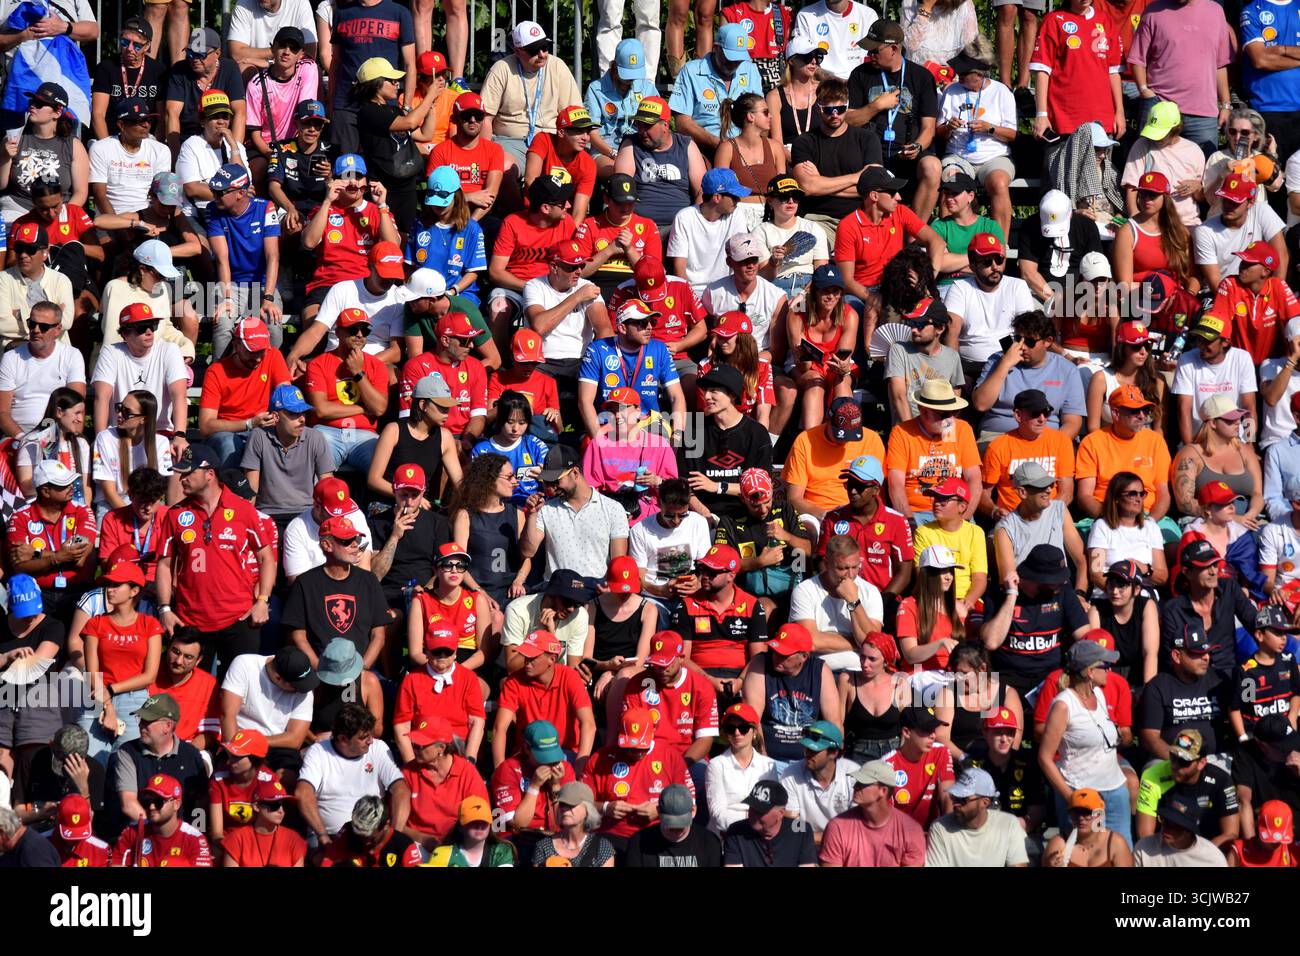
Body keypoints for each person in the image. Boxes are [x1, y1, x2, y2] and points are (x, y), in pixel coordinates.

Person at [154, 445, 274, 672]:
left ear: (210, 474)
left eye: (188, 473)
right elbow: (165, 564)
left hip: (239, 618)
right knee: (189, 688)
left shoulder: (243, 509)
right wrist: (165, 609)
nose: (182, 479)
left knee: (240, 690)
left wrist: (262, 601)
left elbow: (266, 558)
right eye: (181, 473)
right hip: (191, 620)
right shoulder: (175, 514)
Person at [1037, 639, 1132, 846]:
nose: (1109, 670)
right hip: (1082, 793)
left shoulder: (1099, 694)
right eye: (1105, 666)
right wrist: (1071, 797)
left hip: (1115, 791)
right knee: (1087, 854)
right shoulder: (1063, 705)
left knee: (1122, 852)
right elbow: (1044, 758)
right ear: (1090, 672)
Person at [846, 20, 943, 222]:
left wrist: (917, 146)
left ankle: (914, 234)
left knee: (932, 167)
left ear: (894, 49)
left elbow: (928, 128)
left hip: (907, 154)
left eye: (875, 50)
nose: (870, 55)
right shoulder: (859, 74)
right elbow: (850, 120)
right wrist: (876, 106)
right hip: (872, 154)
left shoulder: (921, 77)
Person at [836, 168, 955, 332]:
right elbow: (847, 280)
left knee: (930, 311)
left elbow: (937, 242)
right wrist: (872, 297)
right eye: (892, 193)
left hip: (896, 285)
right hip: (862, 291)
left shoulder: (900, 211)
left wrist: (926, 280)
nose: (898, 197)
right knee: (850, 308)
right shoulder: (847, 226)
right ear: (874, 196)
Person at [78, 559, 161, 762]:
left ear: (134, 591)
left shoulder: (150, 624)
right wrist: (108, 706)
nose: (109, 589)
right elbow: (91, 673)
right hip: (96, 698)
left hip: (134, 702)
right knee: (90, 765)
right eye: (108, 584)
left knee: (127, 766)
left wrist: (112, 689)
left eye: (116, 584)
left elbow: (150, 676)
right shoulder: (95, 623)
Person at [982, 544, 1092, 697]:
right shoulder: (998, 595)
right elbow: (991, 642)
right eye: (1055, 582)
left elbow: (1086, 636)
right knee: (979, 702)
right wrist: (1011, 596)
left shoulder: (1064, 592)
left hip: (1051, 676)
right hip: (1006, 676)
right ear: (1037, 579)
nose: (1060, 585)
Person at [1127, 0, 1233, 156]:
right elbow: (1137, 59)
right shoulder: (1153, 12)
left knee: (1203, 169)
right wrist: (1144, 90)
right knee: (1150, 167)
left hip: (1203, 114)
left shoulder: (1216, 11)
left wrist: (1225, 104)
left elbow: (1221, 64)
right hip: (1160, 106)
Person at [281, 516, 387, 669]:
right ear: (326, 545)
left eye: (356, 539)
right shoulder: (305, 583)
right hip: (319, 669)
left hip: (360, 668)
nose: (355, 544)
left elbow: (379, 634)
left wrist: (362, 668)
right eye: (346, 541)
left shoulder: (368, 580)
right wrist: (319, 668)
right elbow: (298, 635)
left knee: (371, 681)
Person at [296, 703, 409, 843]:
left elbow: (401, 790)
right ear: (343, 739)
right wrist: (323, 836)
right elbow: (303, 793)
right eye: (364, 737)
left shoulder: (378, 748)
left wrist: (393, 838)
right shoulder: (318, 752)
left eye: (371, 734)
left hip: (371, 836)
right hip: (329, 837)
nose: (371, 741)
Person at [972, 308, 1085, 445]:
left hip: (1046, 441)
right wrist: (1004, 365)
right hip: (998, 437)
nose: (1022, 347)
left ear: (1048, 341)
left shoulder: (1067, 369)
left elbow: (1072, 422)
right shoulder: (998, 360)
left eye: (1030, 342)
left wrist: (1053, 446)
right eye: (1018, 339)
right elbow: (981, 404)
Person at [518, 230, 612, 393]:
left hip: (580, 360)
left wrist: (599, 362)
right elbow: (540, 326)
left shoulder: (587, 286)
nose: (579, 271)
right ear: (554, 267)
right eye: (572, 266)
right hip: (543, 360)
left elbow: (605, 330)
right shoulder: (534, 286)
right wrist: (576, 297)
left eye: (582, 265)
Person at [204, 167, 284, 358]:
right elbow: (222, 259)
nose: (214, 196)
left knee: (272, 324)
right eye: (213, 191)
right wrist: (227, 298)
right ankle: (219, 372)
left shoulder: (265, 208)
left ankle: (270, 369)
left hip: (262, 284)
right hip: (230, 283)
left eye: (220, 192)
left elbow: (272, 256)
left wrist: (268, 298)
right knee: (223, 323)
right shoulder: (213, 209)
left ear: (240, 193)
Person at [480, 20, 581, 169]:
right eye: (534, 50)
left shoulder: (558, 66)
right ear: (518, 51)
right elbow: (485, 118)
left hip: (551, 140)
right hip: (511, 142)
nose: (542, 54)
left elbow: (575, 113)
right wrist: (484, 155)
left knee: (578, 168)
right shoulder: (501, 69)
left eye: (545, 47)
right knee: (504, 167)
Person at [491, 630, 597, 770]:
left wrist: (579, 768)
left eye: (532, 657)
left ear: (552, 659)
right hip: (528, 754)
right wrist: (500, 771)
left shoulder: (570, 677)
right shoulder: (514, 681)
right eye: (526, 656)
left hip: (564, 754)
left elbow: (589, 725)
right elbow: (499, 728)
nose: (527, 662)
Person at [742, 623, 841, 769]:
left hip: (808, 760)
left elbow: (834, 723)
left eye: (784, 654)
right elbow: (752, 719)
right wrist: (763, 760)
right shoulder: (760, 663)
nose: (776, 656)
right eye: (775, 650)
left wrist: (828, 763)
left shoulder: (819, 670)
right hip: (769, 758)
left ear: (804, 656)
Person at [6, 461, 96, 620]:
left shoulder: (83, 512)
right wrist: (59, 556)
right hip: (36, 593)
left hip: (76, 590)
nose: (71, 487)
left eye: (71, 482)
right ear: (46, 491)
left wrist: (36, 553)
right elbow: (20, 566)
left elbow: (78, 558)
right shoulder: (20, 517)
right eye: (63, 484)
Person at [303, 307, 389, 473]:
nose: (360, 335)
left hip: (365, 434)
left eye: (365, 330)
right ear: (338, 332)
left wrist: (358, 373)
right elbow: (322, 410)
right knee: (315, 469)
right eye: (353, 329)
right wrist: (363, 408)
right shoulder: (318, 363)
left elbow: (379, 408)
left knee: (383, 471)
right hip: (327, 432)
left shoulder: (377, 365)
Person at [1028, 0, 1124, 148]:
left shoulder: (1106, 20)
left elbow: (1114, 72)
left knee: (1100, 164)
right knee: (1064, 164)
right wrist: (1041, 114)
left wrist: (1120, 112)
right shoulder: (1054, 20)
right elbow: (1042, 70)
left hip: (1102, 121)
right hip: (1064, 120)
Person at [885, 379, 982, 526]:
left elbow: (974, 479)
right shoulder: (902, 433)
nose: (950, 419)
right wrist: (909, 522)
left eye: (953, 412)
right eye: (944, 414)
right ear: (923, 411)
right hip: (916, 512)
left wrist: (965, 519)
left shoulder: (962, 429)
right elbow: (895, 484)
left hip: (954, 511)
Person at [942, 232, 1036, 382]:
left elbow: (1028, 332)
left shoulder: (1017, 286)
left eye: (999, 259)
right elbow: (951, 334)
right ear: (972, 266)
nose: (995, 266)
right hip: (970, 368)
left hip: (1010, 364)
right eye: (987, 262)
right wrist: (956, 376)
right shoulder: (960, 288)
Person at [106, 694, 209, 830]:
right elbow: (129, 804)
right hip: (142, 832)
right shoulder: (128, 752)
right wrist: (161, 832)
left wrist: (196, 834)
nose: (141, 725)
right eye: (140, 719)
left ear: (168, 726)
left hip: (183, 835)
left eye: (147, 721)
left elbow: (201, 804)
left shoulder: (191, 755)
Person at [1159, 538, 1258, 679]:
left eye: (1215, 564)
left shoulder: (1230, 588)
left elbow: (1257, 625)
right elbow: (1172, 660)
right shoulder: (1173, 610)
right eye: (1205, 567)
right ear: (1187, 572)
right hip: (1191, 681)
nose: (1213, 571)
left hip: (1228, 677)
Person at [198, 318, 290, 469]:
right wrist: (249, 424)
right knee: (229, 444)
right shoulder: (216, 372)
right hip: (227, 433)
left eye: (262, 350)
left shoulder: (273, 355)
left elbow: (286, 398)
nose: (258, 358)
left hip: (262, 428)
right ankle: (230, 484)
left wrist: (276, 417)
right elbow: (205, 426)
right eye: (252, 351)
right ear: (236, 345)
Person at [1074, 385, 1173, 523]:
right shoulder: (1092, 442)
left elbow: (1164, 495)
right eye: (1134, 411)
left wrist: (1150, 523)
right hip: (1106, 516)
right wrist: (1113, 521)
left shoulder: (1156, 441)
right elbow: (1085, 497)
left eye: (1145, 410)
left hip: (1149, 516)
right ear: (1116, 413)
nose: (1142, 416)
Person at [612, 96, 704, 235]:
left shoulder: (686, 145)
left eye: (647, 126)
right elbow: (621, 185)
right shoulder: (631, 144)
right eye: (639, 125)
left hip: (680, 227)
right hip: (640, 227)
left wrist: (694, 223)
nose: (642, 131)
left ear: (665, 125)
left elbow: (701, 191)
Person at [981, 392, 1076, 525]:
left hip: (1051, 519)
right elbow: (983, 493)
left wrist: (1045, 517)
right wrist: (995, 511)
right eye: (1035, 413)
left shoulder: (1061, 441)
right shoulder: (998, 447)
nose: (1042, 419)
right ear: (1018, 415)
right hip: (1012, 522)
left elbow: (1066, 492)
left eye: (1046, 413)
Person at [782, 265, 857, 429]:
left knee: (841, 382)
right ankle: (811, 438)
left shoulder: (850, 315)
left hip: (834, 364)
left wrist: (842, 368)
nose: (831, 296)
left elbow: (842, 359)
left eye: (836, 291)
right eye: (825, 291)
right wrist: (804, 356)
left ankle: (846, 435)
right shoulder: (797, 314)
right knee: (815, 382)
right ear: (815, 292)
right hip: (804, 366)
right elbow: (803, 366)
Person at [785, 398, 886, 521]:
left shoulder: (872, 440)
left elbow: (879, 493)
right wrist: (827, 516)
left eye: (851, 434)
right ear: (828, 420)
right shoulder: (805, 441)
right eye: (840, 434)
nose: (845, 440)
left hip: (859, 513)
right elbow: (794, 498)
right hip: (817, 515)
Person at [1135, 728, 1239, 847]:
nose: (1174, 765)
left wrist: (1203, 854)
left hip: (1208, 848)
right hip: (1165, 848)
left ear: (1201, 763)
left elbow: (1231, 833)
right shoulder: (1152, 777)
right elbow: (1145, 836)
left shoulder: (1222, 781)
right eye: (1173, 756)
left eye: (1183, 761)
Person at [0, 82, 89, 220]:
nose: (32, 106)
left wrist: (61, 217)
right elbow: (1, 185)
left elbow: (81, 193)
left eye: (40, 104)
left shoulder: (74, 145)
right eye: (32, 102)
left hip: (56, 212)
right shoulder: (14, 138)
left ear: (57, 112)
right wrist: (5, 157)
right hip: (18, 208)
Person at [398, 716, 488, 850]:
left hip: (457, 845)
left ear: (441, 748)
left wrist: (451, 846)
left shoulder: (467, 772)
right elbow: (397, 825)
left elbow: (480, 818)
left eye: (421, 745)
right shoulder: (408, 773)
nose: (415, 748)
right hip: (416, 845)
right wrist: (423, 839)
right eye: (414, 743)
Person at [666, 169, 760, 295]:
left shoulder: (736, 214)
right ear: (717, 197)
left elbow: (742, 257)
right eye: (734, 196)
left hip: (727, 291)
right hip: (693, 291)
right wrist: (689, 299)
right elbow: (679, 269)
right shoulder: (684, 217)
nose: (738, 200)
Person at [219, 647, 315, 769]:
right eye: (295, 686)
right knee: (239, 770)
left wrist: (254, 742)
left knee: (288, 774)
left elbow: (295, 739)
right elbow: (227, 715)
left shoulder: (305, 688)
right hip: (238, 740)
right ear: (278, 677)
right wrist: (235, 753)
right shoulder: (245, 664)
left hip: (277, 746)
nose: (300, 690)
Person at [406, 543, 494, 674]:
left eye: (460, 565)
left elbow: (484, 652)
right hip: (431, 662)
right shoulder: (421, 601)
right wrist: (441, 669)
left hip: (468, 662)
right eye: (447, 565)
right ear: (436, 570)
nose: (454, 570)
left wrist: (456, 671)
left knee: (478, 685)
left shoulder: (477, 600)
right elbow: (415, 653)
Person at [0, 301, 84, 438]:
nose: (36, 330)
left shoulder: (71, 355)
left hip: (57, 435)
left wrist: (68, 440)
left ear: (58, 329)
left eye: (43, 327)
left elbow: (76, 407)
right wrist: (23, 439)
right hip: (17, 435)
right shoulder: (11, 358)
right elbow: (2, 412)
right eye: (32, 324)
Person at [818, 760, 926, 866]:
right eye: (857, 782)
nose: (855, 787)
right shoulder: (837, 827)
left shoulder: (911, 831)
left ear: (883, 791)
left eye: (863, 784)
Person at [1122, 104, 1208, 229]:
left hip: (1186, 222)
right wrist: (1135, 218)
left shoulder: (1194, 150)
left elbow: (1201, 198)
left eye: (1161, 134)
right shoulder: (1142, 145)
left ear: (1175, 129)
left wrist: (1197, 188)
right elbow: (1131, 185)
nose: (1155, 138)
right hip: (1152, 222)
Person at [883, 291, 964, 423]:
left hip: (940, 428)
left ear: (940, 328)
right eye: (912, 323)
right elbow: (899, 397)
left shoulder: (952, 357)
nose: (914, 329)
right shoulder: (898, 350)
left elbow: (954, 403)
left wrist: (945, 431)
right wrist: (911, 432)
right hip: (908, 428)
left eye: (920, 324)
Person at [923, 767, 1029, 867]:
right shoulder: (940, 828)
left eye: (962, 799)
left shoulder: (1009, 824)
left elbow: (1018, 864)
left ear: (985, 802)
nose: (954, 804)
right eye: (954, 797)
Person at [1195, 176, 1288, 289]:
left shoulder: (1262, 211)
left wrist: (1274, 294)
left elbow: (1281, 256)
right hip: (1224, 293)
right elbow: (1216, 284)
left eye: (1235, 201)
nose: (1228, 205)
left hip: (1258, 290)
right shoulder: (1204, 231)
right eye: (1225, 199)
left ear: (1251, 202)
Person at [245, 27, 321, 159]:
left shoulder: (308, 68)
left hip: (297, 145)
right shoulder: (256, 84)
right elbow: (255, 134)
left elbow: (306, 115)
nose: (287, 52)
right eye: (282, 45)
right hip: (266, 147)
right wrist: (274, 157)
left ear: (301, 54)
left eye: (293, 48)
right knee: (259, 168)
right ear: (272, 48)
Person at [1086, 472, 1171, 590]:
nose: (1139, 499)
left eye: (1142, 494)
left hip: (1144, 595)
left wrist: (1145, 569)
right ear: (1116, 498)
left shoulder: (1151, 528)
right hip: (1109, 595)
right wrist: (1121, 593)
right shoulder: (1101, 526)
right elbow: (1096, 574)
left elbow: (1162, 577)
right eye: (1132, 494)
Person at [88, 103, 171, 219]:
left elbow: (161, 194)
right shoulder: (101, 148)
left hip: (148, 216)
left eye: (149, 120)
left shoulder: (161, 150)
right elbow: (99, 194)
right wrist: (118, 224)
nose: (146, 125)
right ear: (121, 125)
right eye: (140, 121)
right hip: (110, 216)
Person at [110, 773, 212, 867]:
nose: (151, 807)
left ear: (176, 804)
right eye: (147, 801)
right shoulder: (132, 832)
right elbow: (116, 864)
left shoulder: (195, 839)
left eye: (159, 802)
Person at [705, 702, 777, 835]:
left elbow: (772, 809)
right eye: (731, 728)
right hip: (726, 836)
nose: (737, 733)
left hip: (758, 836)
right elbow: (718, 814)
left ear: (754, 731)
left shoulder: (769, 765)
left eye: (743, 728)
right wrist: (755, 822)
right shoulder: (716, 765)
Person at [90, 17, 165, 141]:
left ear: (147, 46)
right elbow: (98, 114)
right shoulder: (106, 68)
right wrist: (107, 146)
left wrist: (156, 146)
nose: (130, 48)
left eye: (137, 45)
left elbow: (162, 117)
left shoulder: (158, 70)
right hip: (112, 137)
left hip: (146, 138)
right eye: (125, 42)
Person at [0, 223, 73, 351]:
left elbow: (66, 321)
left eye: (30, 249)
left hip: (56, 352)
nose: (23, 255)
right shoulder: (3, 279)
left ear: (45, 252)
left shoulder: (61, 280)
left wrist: (19, 315)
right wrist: (49, 323)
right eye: (19, 248)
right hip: (16, 351)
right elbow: (2, 324)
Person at [15, 385, 91, 505]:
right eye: (77, 413)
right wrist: (50, 479)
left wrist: (86, 511)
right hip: (41, 507)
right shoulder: (33, 442)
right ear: (59, 412)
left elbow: (85, 487)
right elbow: (25, 487)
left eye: (82, 413)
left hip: (74, 508)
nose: (81, 419)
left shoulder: (81, 443)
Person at [1089, 559, 1160, 686]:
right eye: (1111, 584)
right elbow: (1093, 659)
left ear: (1137, 589)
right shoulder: (1096, 610)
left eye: (1121, 585)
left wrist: (1149, 691)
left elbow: (1150, 653)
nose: (1115, 591)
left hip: (1138, 676)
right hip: (1106, 678)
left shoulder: (1147, 606)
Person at [148, 629, 219, 750]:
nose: (178, 661)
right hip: (149, 744)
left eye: (188, 657)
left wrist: (186, 754)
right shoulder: (150, 674)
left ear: (199, 660)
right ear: (168, 648)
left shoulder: (208, 684)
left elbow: (210, 732)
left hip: (188, 748)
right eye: (176, 652)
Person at [722, 779, 817, 866]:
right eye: (752, 807)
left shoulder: (800, 829)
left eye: (760, 810)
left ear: (781, 813)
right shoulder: (737, 831)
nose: (753, 813)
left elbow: (807, 865)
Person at [220, 776, 306, 867]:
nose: (281, 810)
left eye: (284, 805)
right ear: (256, 806)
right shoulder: (236, 839)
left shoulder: (294, 840)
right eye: (274, 805)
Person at [318, 795, 421, 867]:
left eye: (370, 838)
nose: (365, 842)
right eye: (360, 835)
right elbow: (328, 861)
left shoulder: (404, 846)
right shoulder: (348, 831)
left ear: (386, 825)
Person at [530, 782, 616, 866]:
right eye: (562, 804)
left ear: (587, 810)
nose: (565, 809)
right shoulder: (544, 847)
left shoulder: (601, 848)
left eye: (572, 804)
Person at [1042, 787, 1134, 866]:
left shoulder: (1116, 843)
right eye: (1076, 812)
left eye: (1087, 812)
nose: (1081, 818)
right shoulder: (1059, 844)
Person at [1133, 793, 1229, 866]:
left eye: (1173, 824)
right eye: (1164, 820)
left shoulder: (1213, 858)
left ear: (1189, 830)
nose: (1165, 827)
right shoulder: (1144, 848)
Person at [422, 794, 517, 868]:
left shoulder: (501, 850)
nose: (479, 826)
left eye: (484, 821)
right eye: (473, 822)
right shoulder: (443, 853)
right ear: (460, 827)